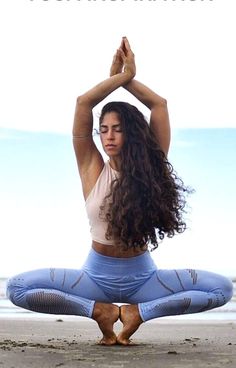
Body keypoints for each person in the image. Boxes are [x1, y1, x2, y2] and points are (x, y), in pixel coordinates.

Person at [7, 37, 233, 346]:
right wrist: (119, 78)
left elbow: (159, 105)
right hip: (94, 276)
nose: (108, 136)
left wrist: (129, 80)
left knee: (222, 289)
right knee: (16, 288)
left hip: (144, 278)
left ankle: (138, 313)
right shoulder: (92, 167)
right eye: (103, 129)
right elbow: (83, 103)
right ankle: (99, 311)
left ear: (133, 131)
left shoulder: (152, 163)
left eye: (117, 128)